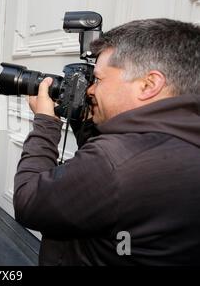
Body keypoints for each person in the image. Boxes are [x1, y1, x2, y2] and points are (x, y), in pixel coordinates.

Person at [13, 18, 200, 265]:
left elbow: (27, 201)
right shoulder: (183, 136)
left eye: (99, 80)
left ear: (149, 84)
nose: (90, 91)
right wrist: (88, 120)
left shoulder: (115, 162)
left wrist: (46, 122)